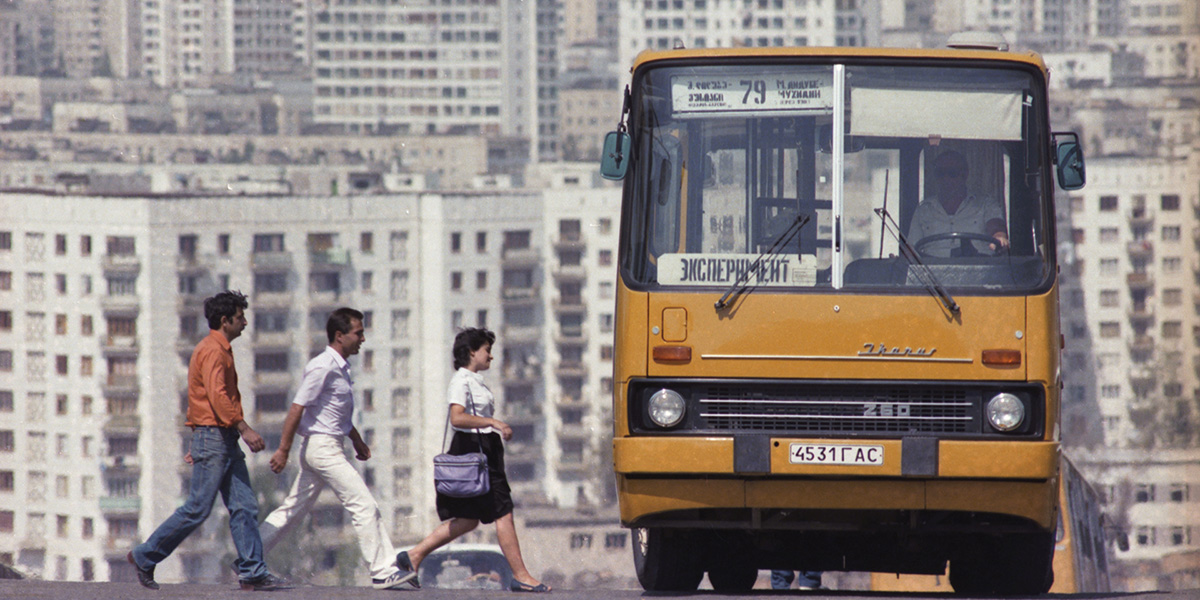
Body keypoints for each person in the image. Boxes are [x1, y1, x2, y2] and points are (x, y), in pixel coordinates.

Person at [128, 290, 283, 591]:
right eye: (240, 318)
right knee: (198, 508)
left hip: (220, 438)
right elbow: (216, 396)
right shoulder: (212, 350)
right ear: (225, 321)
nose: (245, 323)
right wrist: (244, 429)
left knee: (244, 505)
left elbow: (202, 401)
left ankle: (252, 571)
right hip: (215, 437)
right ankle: (145, 555)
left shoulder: (219, 349)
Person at [258, 308, 415, 590]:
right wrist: (282, 450)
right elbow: (297, 407)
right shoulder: (323, 366)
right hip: (323, 449)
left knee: (292, 509)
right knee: (363, 504)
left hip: (325, 446)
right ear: (340, 336)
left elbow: (334, 414)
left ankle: (248, 558)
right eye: (358, 333)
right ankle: (382, 570)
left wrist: (356, 440)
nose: (363, 338)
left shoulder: (340, 367)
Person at [396, 328, 550, 593]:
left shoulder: (474, 381)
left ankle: (414, 555)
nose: (491, 356)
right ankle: (521, 576)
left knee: (468, 520)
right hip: (475, 452)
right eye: (487, 350)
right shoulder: (461, 381)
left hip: (483, 450)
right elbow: (457, 417)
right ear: (471, 352)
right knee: (503, 513)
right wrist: (493, 422)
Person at [906, 150, 1009, 257]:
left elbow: (996, 227)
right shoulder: (924, 210)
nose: (946, 179)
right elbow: (911, 249)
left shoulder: (986, 205)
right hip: (932, 267)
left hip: (977, 266)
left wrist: (999, 237)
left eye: (952, 173)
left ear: (965, 175)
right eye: (940, 173)